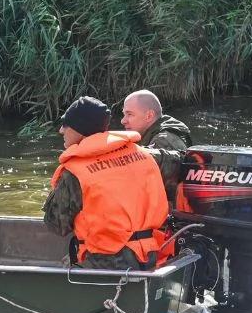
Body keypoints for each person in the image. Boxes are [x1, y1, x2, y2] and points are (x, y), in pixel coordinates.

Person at [42, 96, 169, 270]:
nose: (61, 131)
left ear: (80, 130)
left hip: (105, 262)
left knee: (65, 264)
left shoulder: (75, 172)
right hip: (148, 257)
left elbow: (57, 225)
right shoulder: (143, 154)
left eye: (66, 125)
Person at [120, 89, 193, 205]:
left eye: (129, 114)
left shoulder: (164, 141)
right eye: (124, 114)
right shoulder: (153, 134)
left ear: (149, 116)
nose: (123, 121)